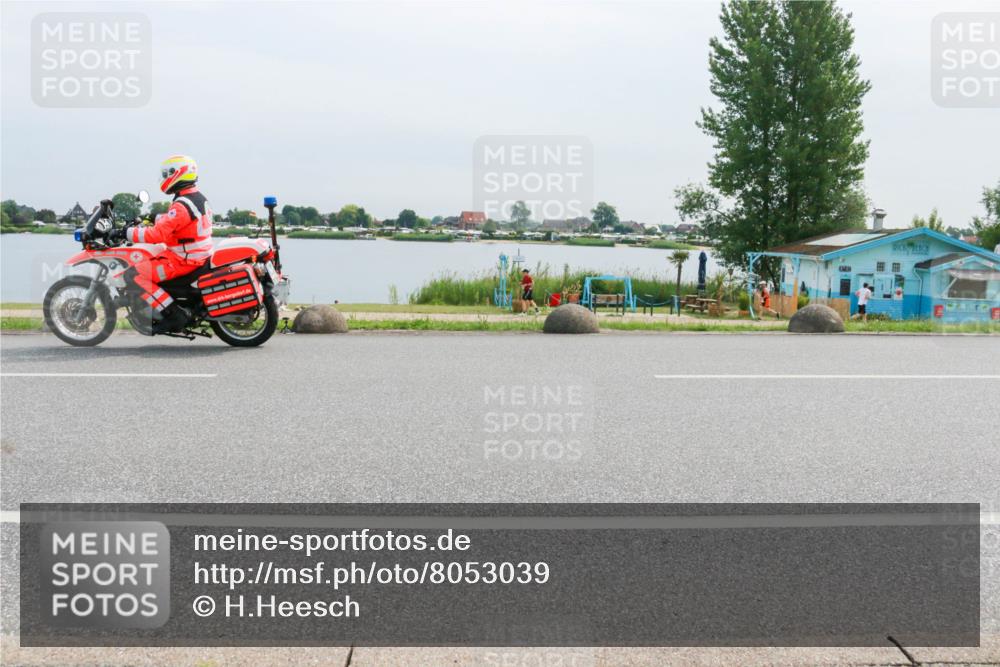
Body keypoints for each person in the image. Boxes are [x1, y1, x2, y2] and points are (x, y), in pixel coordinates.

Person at [112, 155, 213, 333]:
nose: (164, 178)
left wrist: (125, 233)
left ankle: (173, 314)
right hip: (195, 255)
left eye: (167, 173)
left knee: (134, 275)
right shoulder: (195, 198)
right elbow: (179, 223)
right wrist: (155, 217)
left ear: (178, 174)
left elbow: (157, 234)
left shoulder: (182, 205)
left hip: (184, 260)